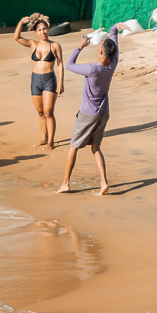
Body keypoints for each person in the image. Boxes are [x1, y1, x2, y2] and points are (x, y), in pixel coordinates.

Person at [56, 25, 119, 196]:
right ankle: (104, 182)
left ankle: (65, 183)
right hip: (103, 112)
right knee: (96, 147)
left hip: (88, 114)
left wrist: (79, 47)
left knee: (73, 146)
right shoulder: (112, 64)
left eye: (100, 46)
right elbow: (114, 40)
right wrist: (115, 28)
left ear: (100, 52)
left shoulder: (92, 69)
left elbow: (69, 65)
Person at [13, 13, 64, 150]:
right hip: (35, 80)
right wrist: (20, 23)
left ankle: (50, 142)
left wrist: (61, 83)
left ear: (49, 29)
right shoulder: (32, 44)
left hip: (49, 81)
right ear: (36, 33)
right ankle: (43, 138)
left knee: (48, 112)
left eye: (45, 28)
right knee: (40, 112)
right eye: (40, 30)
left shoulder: (55, 46)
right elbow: (16, 37)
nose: (43, 32)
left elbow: (60, 64)